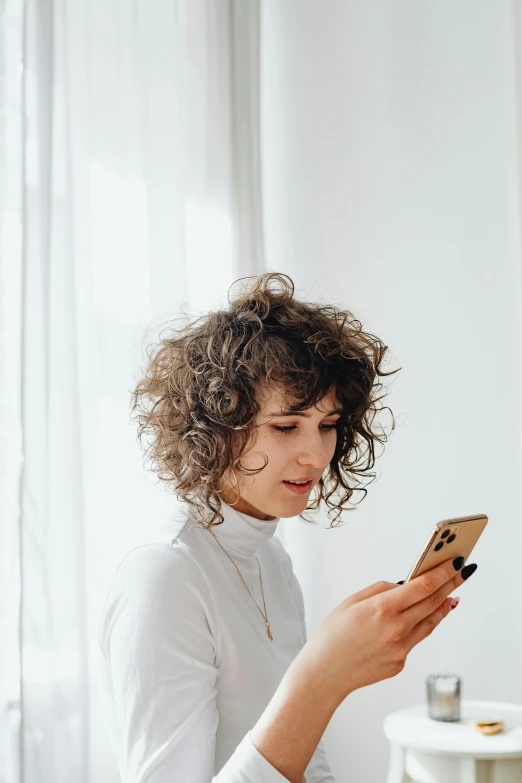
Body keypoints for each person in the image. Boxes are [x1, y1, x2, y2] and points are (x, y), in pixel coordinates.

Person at [95, 272, 477, 783]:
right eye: (285, 426)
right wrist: (322, 679)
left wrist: (328, 674)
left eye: (327, 425)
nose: (316, 453)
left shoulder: (272, 562)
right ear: (216, 427)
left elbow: (307, 765)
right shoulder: (164, 576)